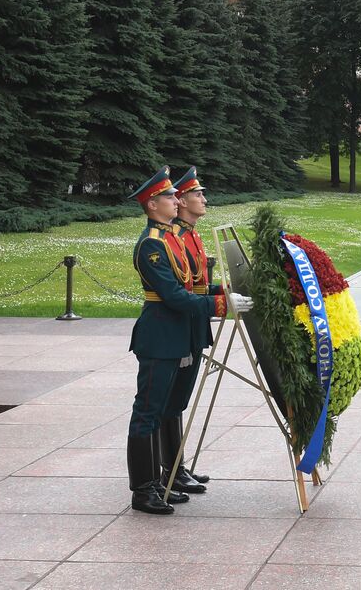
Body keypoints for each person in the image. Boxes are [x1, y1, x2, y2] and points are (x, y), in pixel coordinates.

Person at [125, 167, 250, 515]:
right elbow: (174, 297)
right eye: (168, 197)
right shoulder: (151, 245)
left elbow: (192, 287)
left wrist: (223, 293)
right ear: (152, 205)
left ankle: (166, 477)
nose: (176, 200)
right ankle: (143, 489)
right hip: (160, 336)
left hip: (180, 334)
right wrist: (222, 304)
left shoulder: (172, 239)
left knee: (170, 406)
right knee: (147, 413)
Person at [165, 166, 229, 495]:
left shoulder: (191, 234)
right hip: (181, 325)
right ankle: (170, 471)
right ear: (181, 199)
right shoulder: (174, 237)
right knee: (171, 401)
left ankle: (177, 466)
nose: (204, 199)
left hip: (194, 324)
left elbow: (199, 285)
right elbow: (184, 291)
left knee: (178, 401)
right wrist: (222, 303)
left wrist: (225, 290)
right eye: (198, 194)